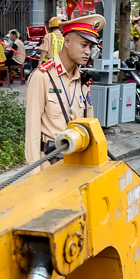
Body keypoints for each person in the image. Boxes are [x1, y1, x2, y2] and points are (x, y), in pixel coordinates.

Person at [23, 13, 101, 165]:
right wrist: (34, 174)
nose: (88, 52)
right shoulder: (43, 76)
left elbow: (90, 126)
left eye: (91, 47)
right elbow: (32, 130)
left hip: (79, 162)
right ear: (67, 41)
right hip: (51, 162)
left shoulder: (83, 80)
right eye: (83, 45)